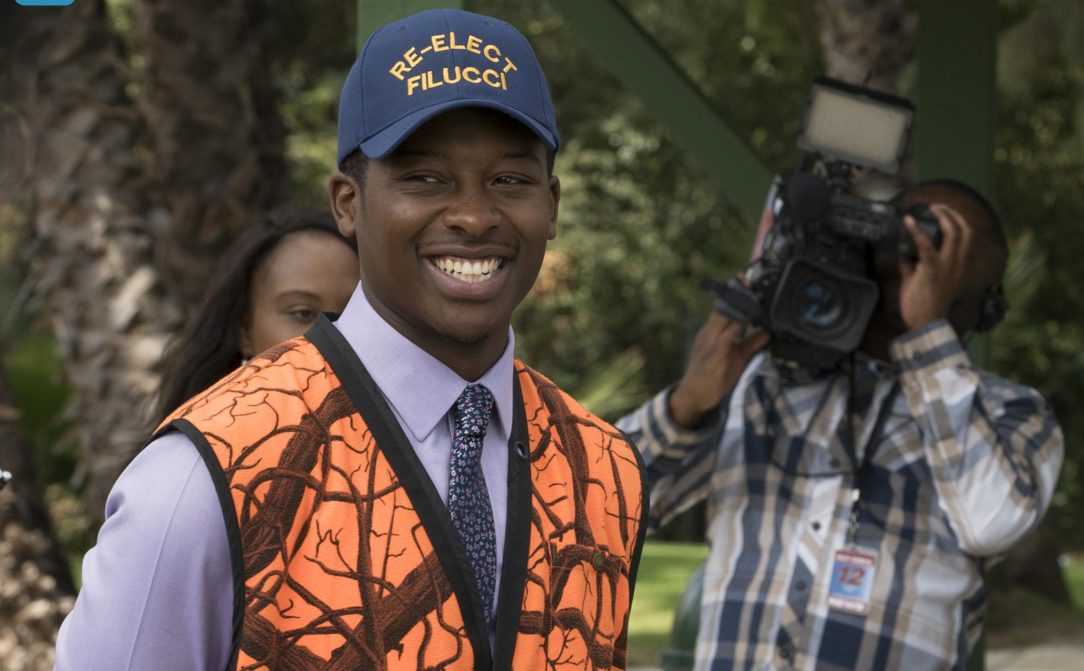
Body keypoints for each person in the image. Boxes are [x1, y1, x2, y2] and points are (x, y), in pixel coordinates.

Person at [55, 8, 647, 671]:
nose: (475, 216)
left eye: (510, 179)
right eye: (425, 177)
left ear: (553, 204)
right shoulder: (212, 471)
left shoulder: (604, 469)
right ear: (347, 202)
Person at [618, 179, 1064, 670]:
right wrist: (688, 404)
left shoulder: (1011, 414)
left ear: (986, 301)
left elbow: (991, 522)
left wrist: (928, 337)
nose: (919, 255)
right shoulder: (765, 378)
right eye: (905, 233)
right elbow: (613, 504)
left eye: (945, 245)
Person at [154, 208, 360, 423]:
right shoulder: (194, 450)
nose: (334, 331)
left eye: (354, 313)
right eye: (303, 313)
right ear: (244, 331)